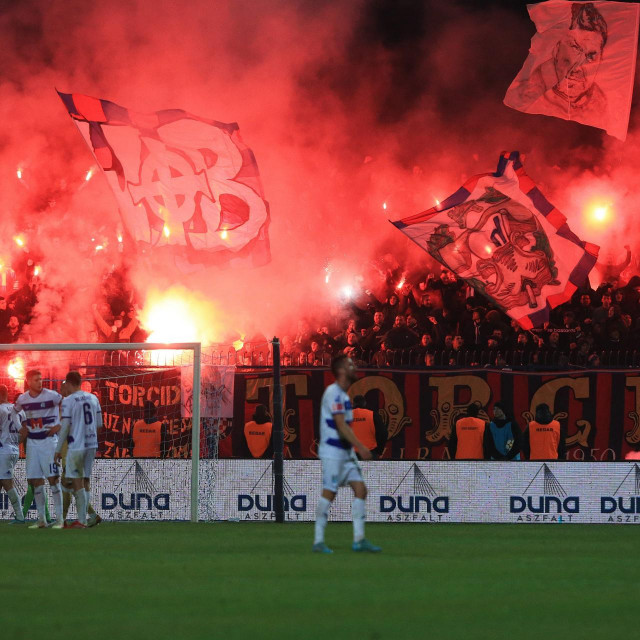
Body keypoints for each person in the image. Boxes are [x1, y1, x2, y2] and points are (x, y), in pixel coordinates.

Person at [313, 355, 381, 554]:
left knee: (361, 490)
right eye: (350, 364)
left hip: (345, 452)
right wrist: (361, 446)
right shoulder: (334, 393)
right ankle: (318, 541)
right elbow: (341, 425)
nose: (354, 366)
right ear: (342, 370)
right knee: (330, 492)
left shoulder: (343, 395)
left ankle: (359, 540)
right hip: (333, 452)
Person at [16, 370, 64, 528]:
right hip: (32, 443)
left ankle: (59, 519)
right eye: (36, 379)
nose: (40, 382)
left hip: (49, 442)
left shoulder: (52, 395)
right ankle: (42, 519)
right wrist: (22, 427)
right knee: (35, 480)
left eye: (41, 379)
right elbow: (13, 412)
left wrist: (61, 423)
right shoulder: (23, 399)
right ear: (28, 381)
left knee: (53, 479)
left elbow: (66, 404)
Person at [54, 371, 103, 528]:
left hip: (76, 445)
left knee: (74, 482)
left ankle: (80, 520)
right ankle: (86, 518)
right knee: (85, 480)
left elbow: (65, 426)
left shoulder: (69, 400)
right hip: (92, 443)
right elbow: (100, 424)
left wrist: (57, 449)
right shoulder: (93, 398)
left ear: (68, 383)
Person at [0, 384, 26, 523]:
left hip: (4, 451)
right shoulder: (19, 411)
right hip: (14, 449)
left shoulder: (0, 410)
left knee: (7, 483)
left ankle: (20, 516)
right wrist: (16, 443)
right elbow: (25, 431)